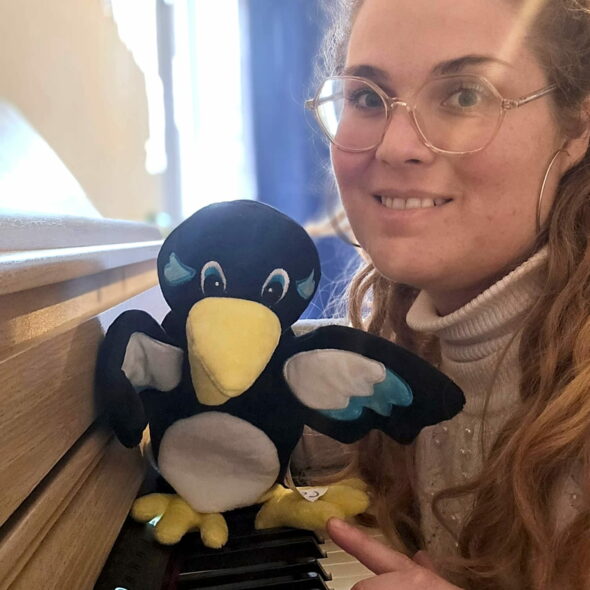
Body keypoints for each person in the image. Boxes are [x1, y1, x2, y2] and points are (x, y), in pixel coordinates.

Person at [303, 0, 590, 588]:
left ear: (576, 129)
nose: (394, 147)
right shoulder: (408, 341)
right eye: (366, 98)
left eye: (464, 95)